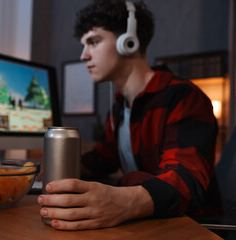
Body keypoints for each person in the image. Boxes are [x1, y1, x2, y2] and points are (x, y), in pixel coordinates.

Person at [37, 0, 223, 231]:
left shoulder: (183, 97)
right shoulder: (118, 110)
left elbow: (185, 180)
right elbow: (104, 159)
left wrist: (124, 197)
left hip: (189, 227)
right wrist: (54, 166)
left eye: (93, 42)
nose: (83, 55)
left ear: (129, 42)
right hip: (146, 225)